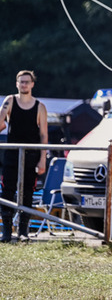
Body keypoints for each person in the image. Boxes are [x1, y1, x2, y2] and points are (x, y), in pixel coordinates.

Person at [0, 70, 48, 243]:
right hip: (12, 154)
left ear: (32, 84)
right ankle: (6, 231)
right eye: (21, 81)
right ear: (17, 84)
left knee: (28, 192)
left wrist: (42, 159)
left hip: (31, 155)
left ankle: (23, 231)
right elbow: (0, 122)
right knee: (7, 191)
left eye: (27, 81)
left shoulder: (40, 106)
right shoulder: (10, 101)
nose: (24, 84)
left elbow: (44, 135)